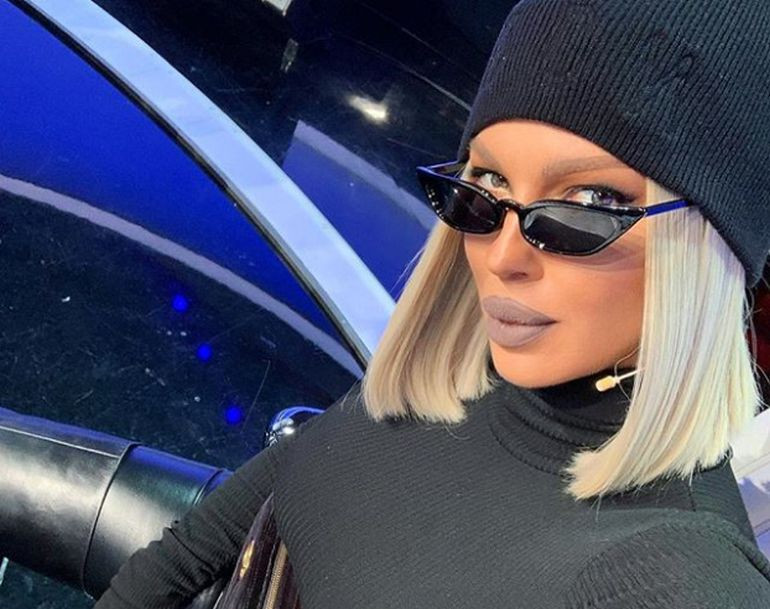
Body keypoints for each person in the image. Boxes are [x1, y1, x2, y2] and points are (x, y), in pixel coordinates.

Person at [95, 1, 770, 607]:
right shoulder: (426, 392)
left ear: (706, 249)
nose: (503, 256)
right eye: (486, 186)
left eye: (589, 204)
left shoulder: (675, 575)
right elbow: (175, 562)